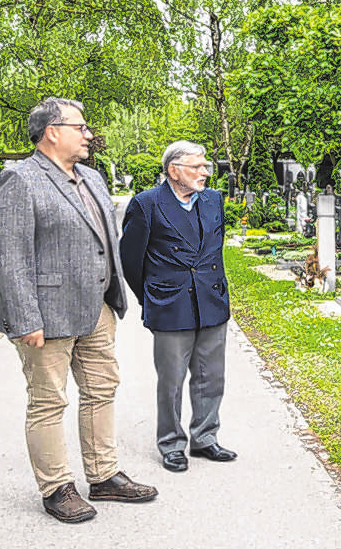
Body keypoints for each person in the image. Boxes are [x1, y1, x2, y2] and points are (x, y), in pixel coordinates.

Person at [0, 98, 157, 524]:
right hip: (47, 315)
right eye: (80, 127)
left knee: (102, 390)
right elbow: (9, 257)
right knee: (48, 401)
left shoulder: (92, 178)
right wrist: (25, 318)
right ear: (52, 131)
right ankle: (57, 487)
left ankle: (103, 475)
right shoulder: (20, 179)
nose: (88, 135)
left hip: (97, 307)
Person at [120, 141, 235, 472]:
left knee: (211, 377)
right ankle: (171, 443)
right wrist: (152, 295)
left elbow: (214, 247)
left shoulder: (213, 199)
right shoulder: (147, 204)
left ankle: (205, 437)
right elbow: (130, 258)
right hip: (170, 303)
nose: (204, 172)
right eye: (197, 167)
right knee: (171, 381)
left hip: (211, 300)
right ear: (174, 170)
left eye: (205, 166)